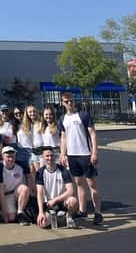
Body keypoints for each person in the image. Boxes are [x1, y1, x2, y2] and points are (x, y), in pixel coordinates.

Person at [58, 92, 103, 225]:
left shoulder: (83, 115)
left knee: (92, 184)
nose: (69, 103)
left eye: (71, 100)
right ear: (62, 103)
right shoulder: (62, 119)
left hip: (85, 155)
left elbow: (93, 134)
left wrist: (94, 152)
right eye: (66, 101)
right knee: (79, 183)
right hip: (72, 156)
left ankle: (98, 212)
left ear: (74, 101)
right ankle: (83, 211)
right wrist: (62, 154)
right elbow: (63, 138)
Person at [36, 146, 79, 229]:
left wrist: (55, 200)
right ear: (43, 157)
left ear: (55, 156)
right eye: (47, 156)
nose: (50, 158)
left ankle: (68, 216)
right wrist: (41, 212)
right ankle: (54, 216)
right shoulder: (40, 172)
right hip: (48, 204)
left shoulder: (63, 171)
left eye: (51, 155)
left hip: (61, 202)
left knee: (73, 201)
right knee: (43, 224)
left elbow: (70, 191)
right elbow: (40, 193)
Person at [0, 146, 32, 225]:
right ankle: (0, 212)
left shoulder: (21, 165)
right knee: (11, 218)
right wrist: (5, 215)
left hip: (17, 191)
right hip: (5, 195)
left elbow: (29, 177)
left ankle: (20, 213)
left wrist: (30, 191)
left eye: (12, 156)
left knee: (25, 189)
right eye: (8, 157)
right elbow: (1, 193)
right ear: (2, 156)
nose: (11, 159)